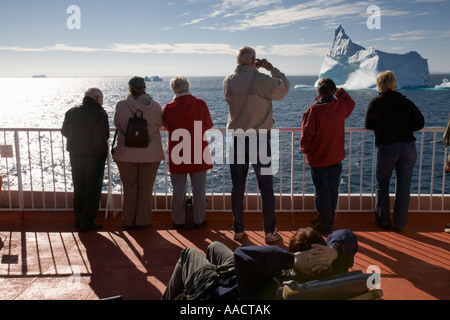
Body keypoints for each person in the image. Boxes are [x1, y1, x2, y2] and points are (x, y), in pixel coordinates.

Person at [161, 228, 358, 300]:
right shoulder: (331, 272)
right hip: (235, 276)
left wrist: (293, 260)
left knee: (189, 253)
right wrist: (334, 251)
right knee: (214, 246)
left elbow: (242, 254)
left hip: (215, 290)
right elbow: (346, 234)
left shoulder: (275, 281)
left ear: (291, 253)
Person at [223, 46, 290, 243]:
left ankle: (238, 230)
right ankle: (269, 232)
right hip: (259, 139)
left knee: (237, 187)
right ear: (254, 61)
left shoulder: (227, 81)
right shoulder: (260, 80)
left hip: (236, 138)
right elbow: (283, 88)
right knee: (266, 187)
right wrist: (271, 69)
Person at [365, 70, 425, 233]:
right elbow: (420, 122)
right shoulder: (405, 102)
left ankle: (383, 220)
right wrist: (405, 128)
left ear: (380, 84)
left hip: (386, 148)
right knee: (404, 186)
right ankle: (399, 224)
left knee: (382, 184)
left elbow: (368, 125)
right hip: (407, 147)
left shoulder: (375, 102)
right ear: (393, 83)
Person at [300, 78, 355, 235]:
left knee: (322, 190)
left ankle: (325, 223)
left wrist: (306, 150)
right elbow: (349, 101)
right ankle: (328, 217)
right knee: (332, 189)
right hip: (336, 156)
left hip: (319, 158)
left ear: (319, 91)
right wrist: (338, 91)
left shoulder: (313, 111)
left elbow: (306, 135)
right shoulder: (340, 107)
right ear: (333, 90)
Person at [112, 76, 165, 229]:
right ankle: (143, 221)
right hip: (150, 154)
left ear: (130, 88)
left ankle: (129, 221)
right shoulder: (155, 106)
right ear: (144, 87)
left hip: (126, 154)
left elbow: (117, 123)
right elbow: (160, 125)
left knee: (129, 188)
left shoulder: (121, 105)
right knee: (146, 188)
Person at [163, 76, 213, 229]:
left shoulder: (169, 108)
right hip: (198, 151)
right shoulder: (200, 104)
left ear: (174, 89)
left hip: (178, 152)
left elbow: (166, 127)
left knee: (178, 190)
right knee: (199, 190)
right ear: (187, 86)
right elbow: (208, 125)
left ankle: (178, 220)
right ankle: (199, 220)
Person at [61, 88, 109, 232]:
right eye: (102, 98)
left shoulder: (72, 111)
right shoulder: (100, 113)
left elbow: (64, 131)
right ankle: (87, 222)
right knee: (92, 190)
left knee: (79, 188)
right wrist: (102, 155)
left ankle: (78, 219)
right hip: (93, 157)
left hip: (75, 155)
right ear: (97, 97)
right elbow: (101, 138)